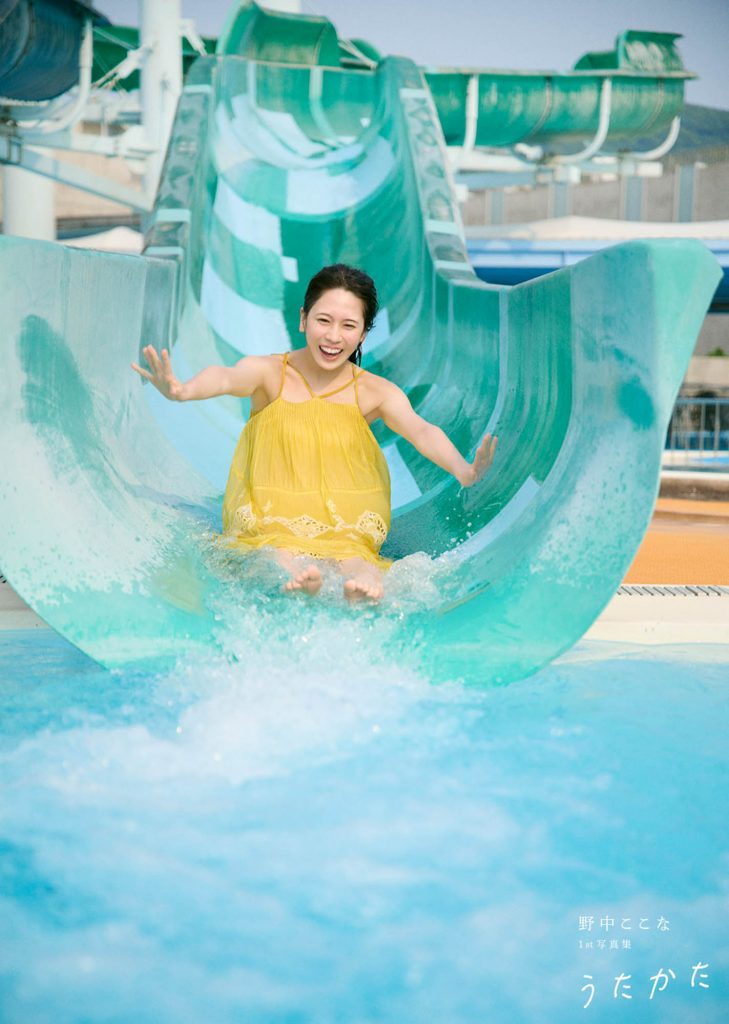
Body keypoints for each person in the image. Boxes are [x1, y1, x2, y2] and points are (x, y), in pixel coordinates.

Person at [131, 264, 497, 601]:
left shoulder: (372, 391)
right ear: (303, 319)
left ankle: (361, 588)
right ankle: (297, 581)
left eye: (349, 326)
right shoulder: (270, 373)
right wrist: (183, 391)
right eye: (324, 320)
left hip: (343, 518)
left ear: (363, 333)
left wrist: (463, 471)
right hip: (272, 513)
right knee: (277, 551)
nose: (334, 336)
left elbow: (421, 430)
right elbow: (226, 377)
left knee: (357, 559)